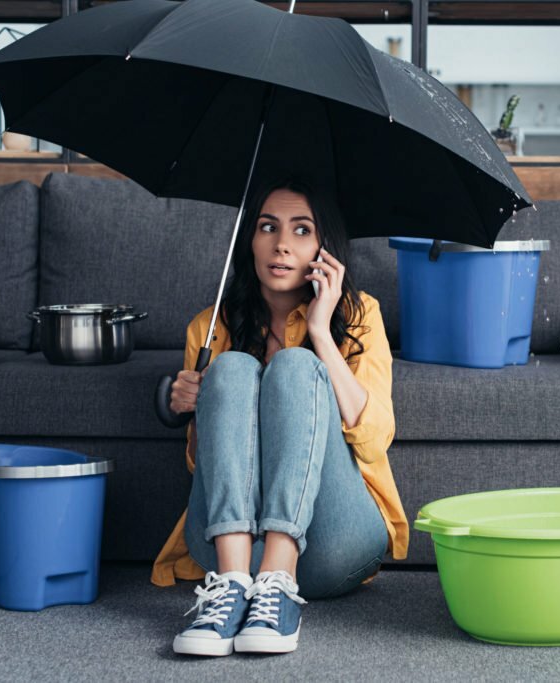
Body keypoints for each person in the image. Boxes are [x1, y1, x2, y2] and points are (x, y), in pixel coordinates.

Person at [152, 177, 409, 657]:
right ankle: (230, 588)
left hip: (335, 543)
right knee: (230, 368)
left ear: (324, 248)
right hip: (231, 548)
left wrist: (321, 334)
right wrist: (190, 407)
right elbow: (201, 469)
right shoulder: (210, 328)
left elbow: (374, 440)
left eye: (302, 230)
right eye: (268, 227)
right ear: (250, 238)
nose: (282, 245)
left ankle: (279, 579)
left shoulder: (359, 315)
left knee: (295, 365)